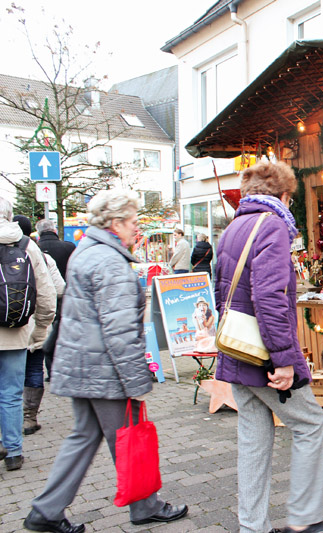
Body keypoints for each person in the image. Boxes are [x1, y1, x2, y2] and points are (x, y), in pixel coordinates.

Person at [25, 190, 188, 533]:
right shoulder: (110, 262)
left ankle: (47, 511)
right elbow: (120, 332)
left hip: (83, 365)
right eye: (132, 222)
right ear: (115, 224)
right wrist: (137, 382)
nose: (136, 228)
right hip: (104, 369)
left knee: (84, 436)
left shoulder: (89, 251)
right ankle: (145, 505)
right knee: (125, 436)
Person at [215, 162, 323, 533]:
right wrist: (284, 361)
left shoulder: (232, 228)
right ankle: (304, 520)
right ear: (283, 195)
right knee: (311, 424)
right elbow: (269, 297)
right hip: (264, 358)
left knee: (253, 440)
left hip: (236, 350)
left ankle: (253, 527)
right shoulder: (271, 226)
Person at [0, 203, 56, 471]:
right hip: (16, 330)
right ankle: (13, 451)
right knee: (11, 394)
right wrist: (40, 330)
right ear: (10, 216)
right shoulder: (25, 244)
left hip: (16, 331)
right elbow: (46, 293)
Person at [12, 216, 65, 436]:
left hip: (6, 328)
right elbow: (59, 288)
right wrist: (43, 323)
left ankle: (8, 423)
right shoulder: (39, 256)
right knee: (34, 369)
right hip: (32, 323)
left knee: (8, 377)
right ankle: (29, 418)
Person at [34, 219, 76, 380]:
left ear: (39, 233)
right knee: (65, 332)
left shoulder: (35, 249)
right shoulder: (68, 247)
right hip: (65, 296)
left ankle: (51, 371)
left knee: (45, 333)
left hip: (41, 296)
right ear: (54, 230)